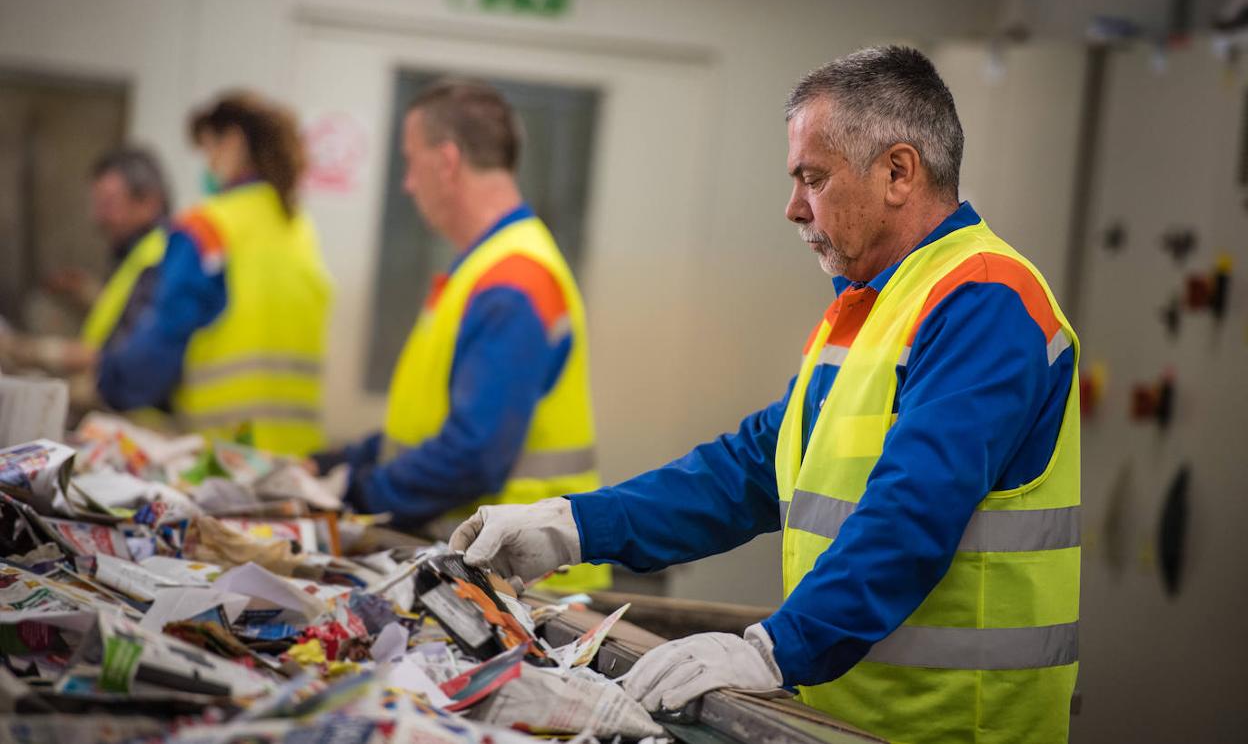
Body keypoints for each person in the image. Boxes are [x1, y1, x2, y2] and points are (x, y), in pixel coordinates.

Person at [451, 46, 1080, 743]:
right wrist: (574, 525)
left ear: (899, 172)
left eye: (813, 178)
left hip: (954, 729)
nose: (793, 207)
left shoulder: (984, 299)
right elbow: (751, 469)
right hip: (846, 717)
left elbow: (913, 512)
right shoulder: (869, 304)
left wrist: (776, 649)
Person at [310, 79, 608, 591]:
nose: (408, 184)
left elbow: (472, 457)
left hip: (525, 588)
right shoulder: (490, 267)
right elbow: (434, 423)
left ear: (447, 161)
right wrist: (345, 461)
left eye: (411, 162)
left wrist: (356, 493)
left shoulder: (513, 279)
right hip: (496, 577)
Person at [97, 91, 333, 456]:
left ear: (233, 142)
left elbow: (161, 341)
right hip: (295, 459)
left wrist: (109, 381)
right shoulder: (299, 229)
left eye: (208, 149)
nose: (207, 164)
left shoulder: (208, 227)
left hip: (220, 457)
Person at [0, 148, 170, 378]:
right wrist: (87, 291)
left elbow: (125, 351)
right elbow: (124, 314)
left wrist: (26, 350)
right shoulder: (140, 252)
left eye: (109, 203)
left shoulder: (161, 256)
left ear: (148, 202)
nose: (97, 217)